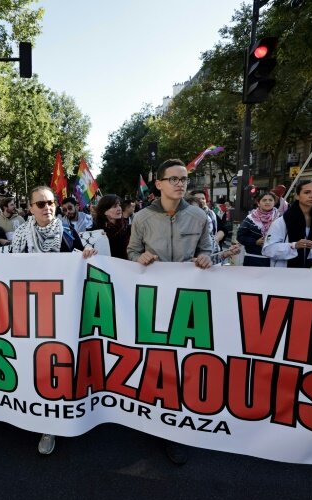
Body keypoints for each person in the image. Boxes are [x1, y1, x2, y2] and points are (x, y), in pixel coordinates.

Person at [127, 159, 237, 465]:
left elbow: (208, 251)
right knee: (157, 359)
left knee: (185, 361)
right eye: (173, 179)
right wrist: (141, 257)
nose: (180, 184)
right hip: (154, 301)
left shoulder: (201, 216)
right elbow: (132, 251)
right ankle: (155, 419)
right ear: (159, 184)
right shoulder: (141, 218)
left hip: (189, 301)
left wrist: (206, 259)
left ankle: (176, 429)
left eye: (184, 179)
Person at [0, 186, 95, 456]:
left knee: (58, 362)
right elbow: (8, 262)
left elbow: (85, 262)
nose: (47, 208)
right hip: (30, 311)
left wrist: (89, 254)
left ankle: (55, 421)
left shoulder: (68, 232)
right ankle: (38, 415)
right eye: (41, 204)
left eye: (51, 203)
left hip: (63, 312)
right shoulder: (21, 233)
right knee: (33, 361)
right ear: (30, 208)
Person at [262, 180, 312, 268]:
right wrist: (294, 246)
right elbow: (268, 250)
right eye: (307, 192)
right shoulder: (282, 221)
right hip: (287, 274)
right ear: (297, 195)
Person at [236, 192, 280, 267]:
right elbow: (240, 237)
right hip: (253, 260)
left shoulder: (279, 218)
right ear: (258, 203)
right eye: (264, 200)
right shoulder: (250, 219)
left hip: (275, 260)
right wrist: (255, 242)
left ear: (274, 202)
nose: (267, 202)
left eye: (270, 200)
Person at [92, 194, 130, 259]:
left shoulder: (128, 228)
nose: (119, 209)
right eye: (115, 206)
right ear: (105, 212)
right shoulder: (96, 232)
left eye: (119, 205)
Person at [190, 190, 226, 254]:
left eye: (203, 198)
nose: (202, 200)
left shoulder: (212, 214)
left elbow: (223, 229)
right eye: (198, 199)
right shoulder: (188, 215)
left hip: (214, 252)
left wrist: (216, 238)